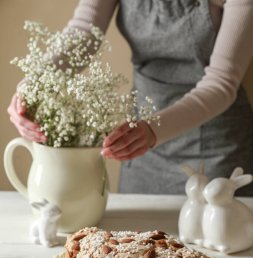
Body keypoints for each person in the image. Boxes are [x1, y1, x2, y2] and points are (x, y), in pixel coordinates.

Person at [8, 0, 253, 195]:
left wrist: (153, 129)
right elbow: (84, 32)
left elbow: (222, 83)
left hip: (216, 147)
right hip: (141, 147)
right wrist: (33, 85)